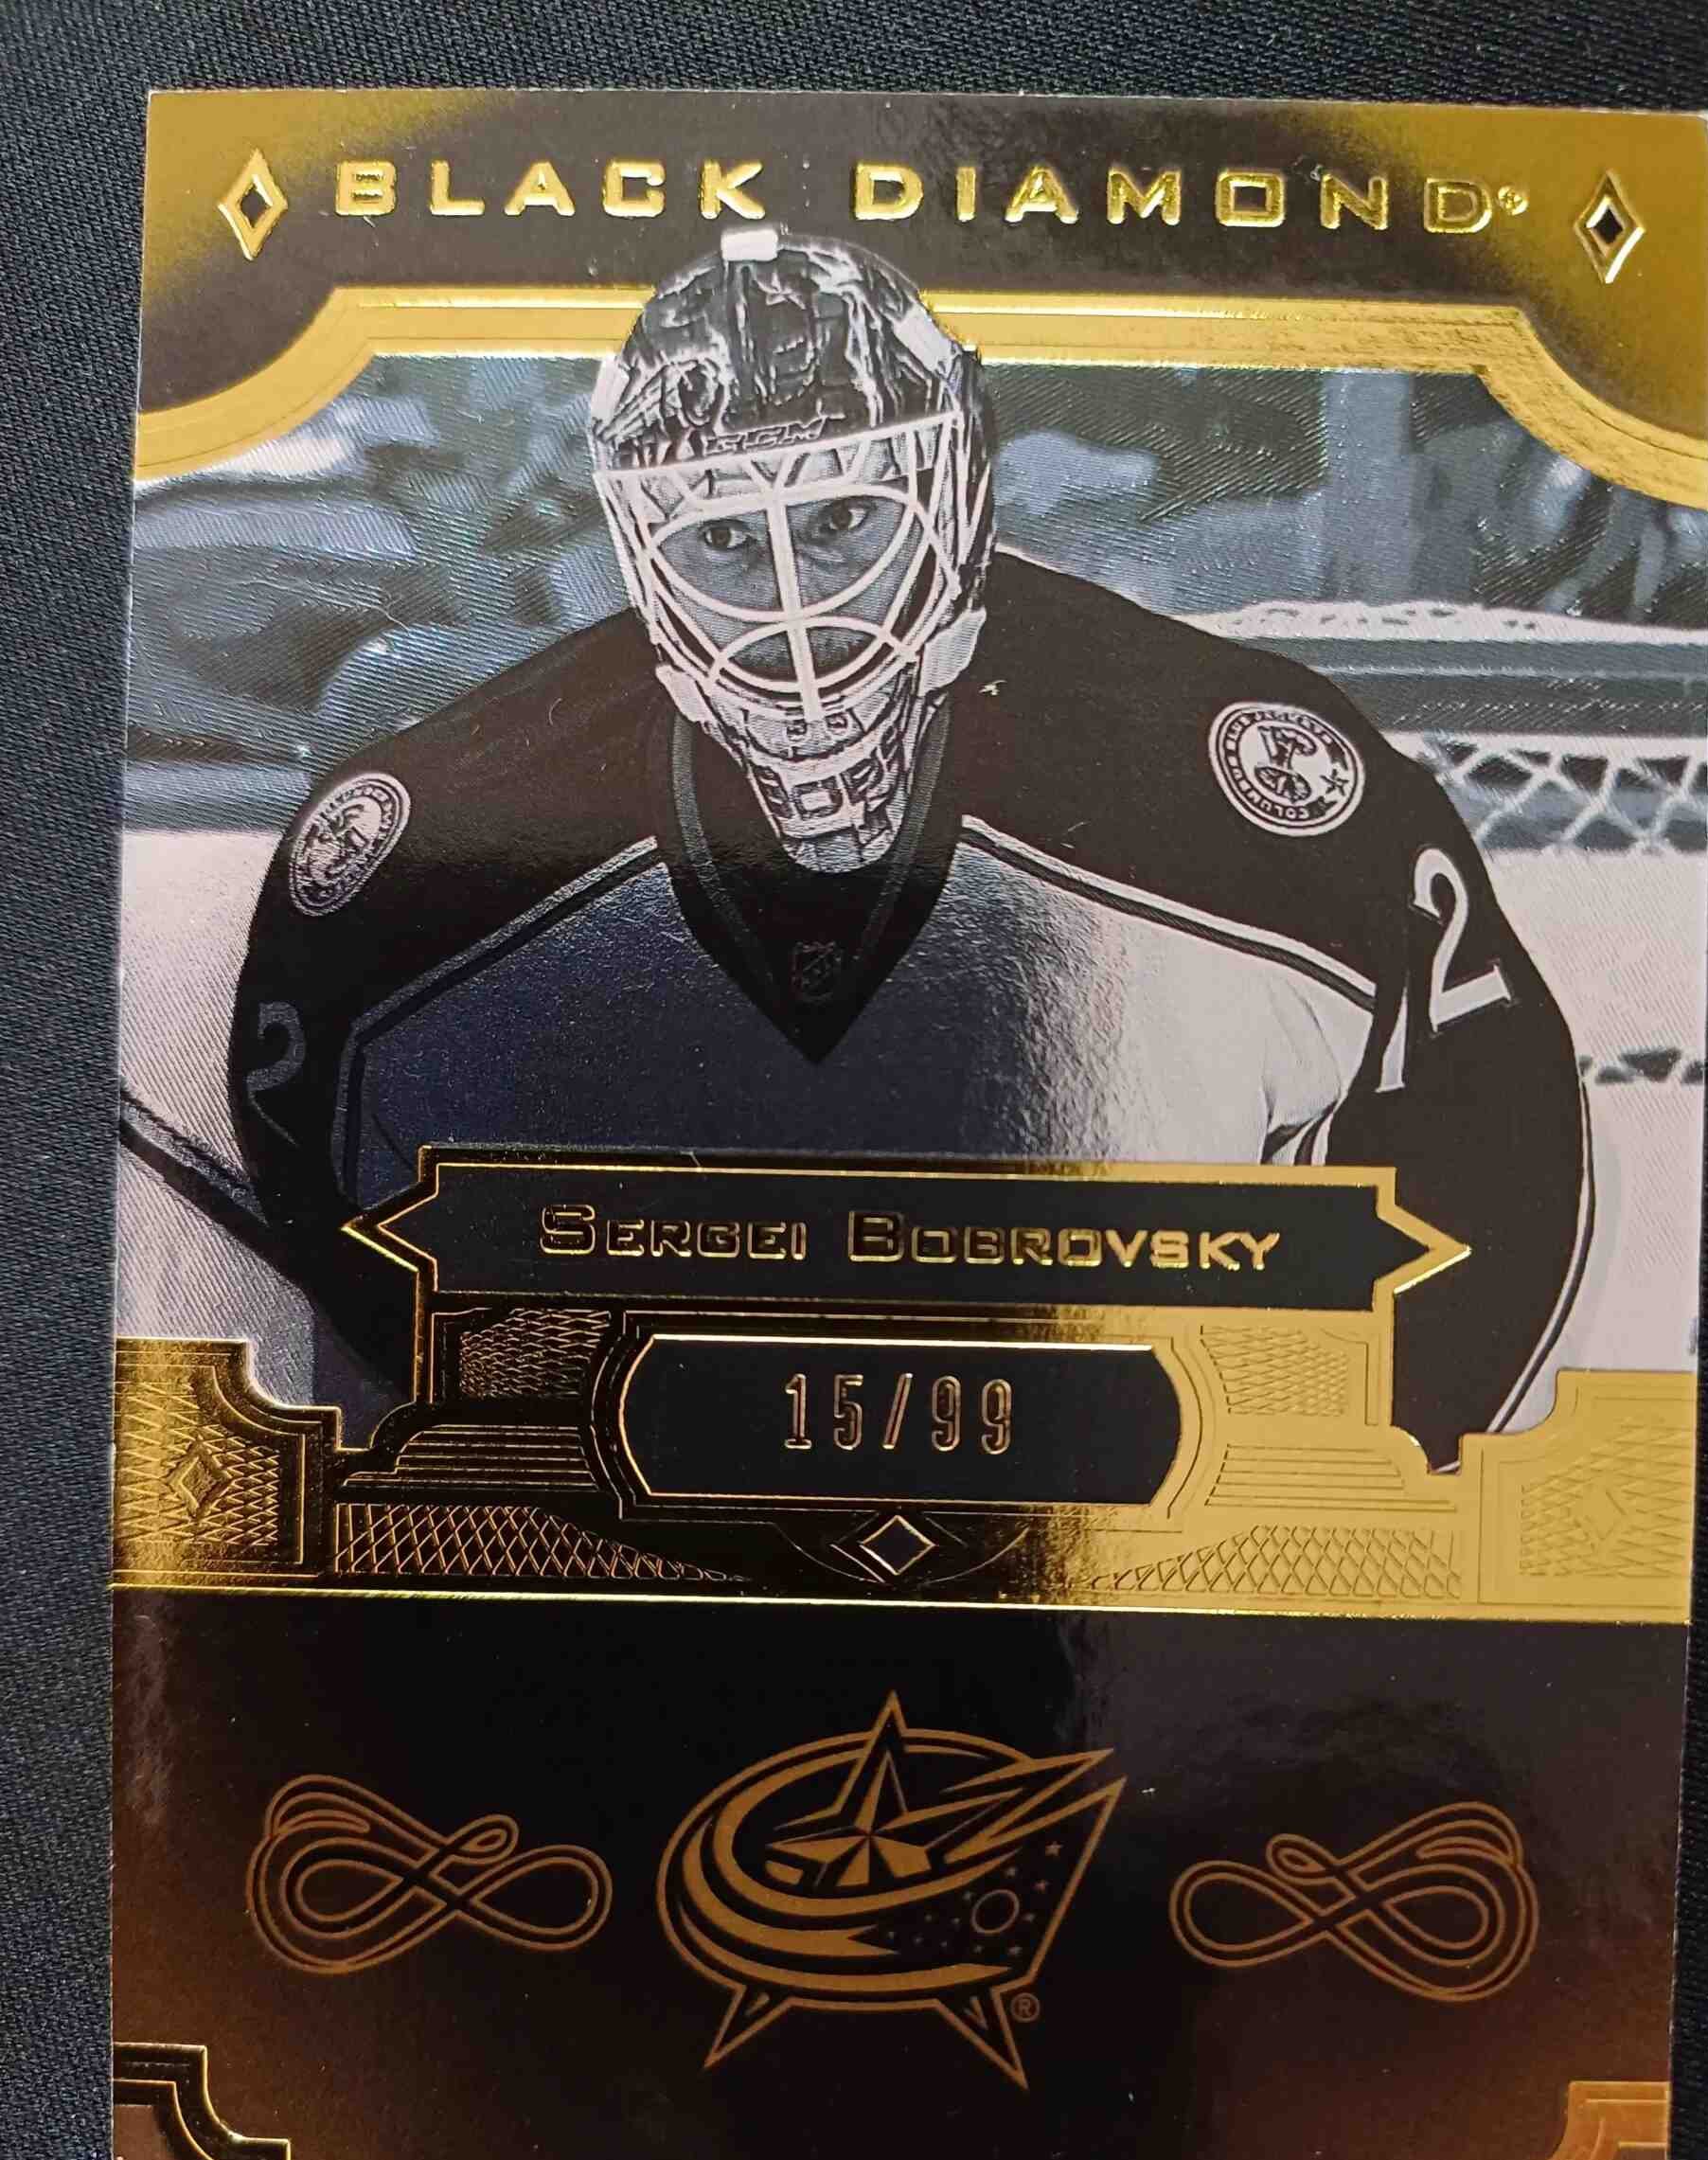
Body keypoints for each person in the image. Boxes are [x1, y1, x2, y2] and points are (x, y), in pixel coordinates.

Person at [217, 225, 1585, 1464]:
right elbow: (334, 1218)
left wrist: (1379, 1480)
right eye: (726, 540)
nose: (799, 609)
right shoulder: (424, 860)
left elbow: (1498, 1132)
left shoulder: (1249, 790)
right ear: (641, 553)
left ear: (954, 493)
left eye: (842, 521)